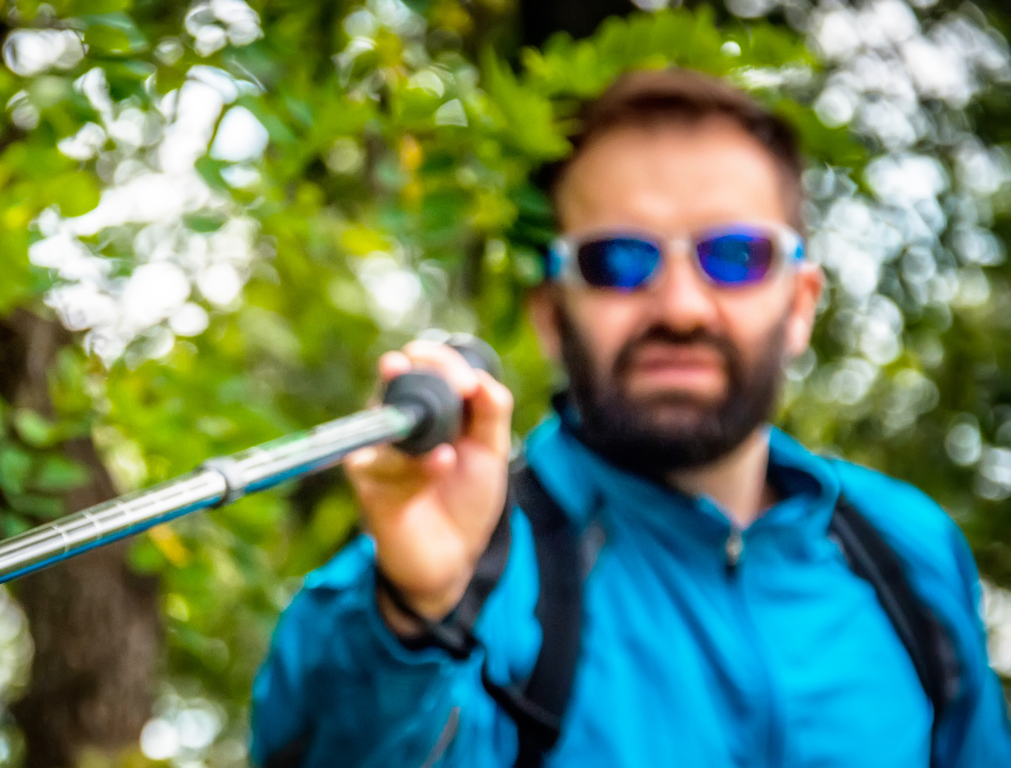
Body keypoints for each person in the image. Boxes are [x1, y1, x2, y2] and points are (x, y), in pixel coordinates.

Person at [249, 68, 1011, 767]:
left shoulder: (908, 552)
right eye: (617, 260)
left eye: (734, 256)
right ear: (550, 314)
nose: (680, 308)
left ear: (800, 304)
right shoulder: (441, 581)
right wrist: (412, 620)